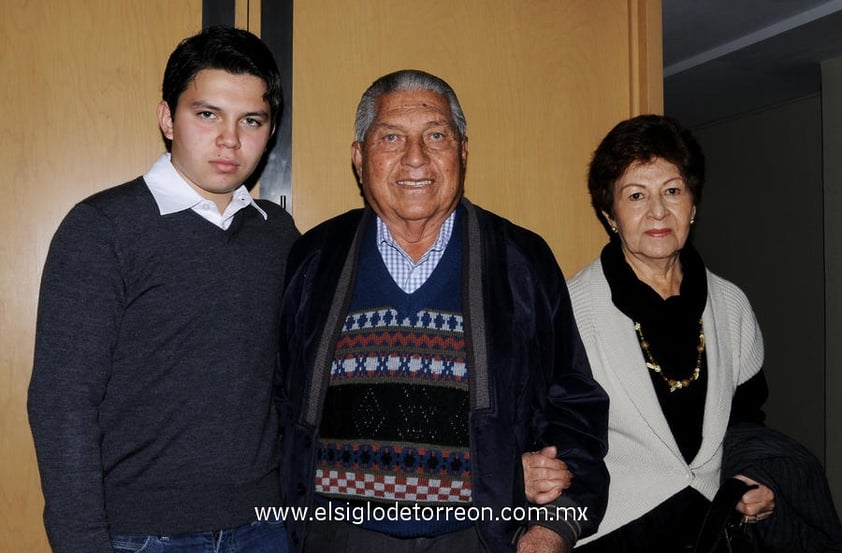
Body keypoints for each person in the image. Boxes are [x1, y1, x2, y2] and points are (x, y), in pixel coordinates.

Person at [275, 69, 609, 553]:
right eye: (391, 137)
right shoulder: (314, 259)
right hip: (339, 538)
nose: (416, 157)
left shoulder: (520, 260)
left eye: (436, 136)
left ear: (463, 152)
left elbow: (573, 404)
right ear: (359, 157)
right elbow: (279, 406)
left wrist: (554, 526)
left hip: (480, 537)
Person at [28, 26, 298, 553]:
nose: (229, 139)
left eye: (251, 120)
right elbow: (63, 402)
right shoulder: (102, 227)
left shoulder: (279, 233)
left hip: (265, 528)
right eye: (207, 114)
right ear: (166, 118)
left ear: (269, 131)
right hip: (140, 536)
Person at [524, 114, 776, 551]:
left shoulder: (731, 305)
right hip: (612, 535)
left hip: (712, 535)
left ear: (693, 204)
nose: (658, 211)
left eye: (672, 191)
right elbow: (539, 429)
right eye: (636, 195)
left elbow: (747, 422)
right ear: (610, 214)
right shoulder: (567, 308)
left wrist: (757, 477)